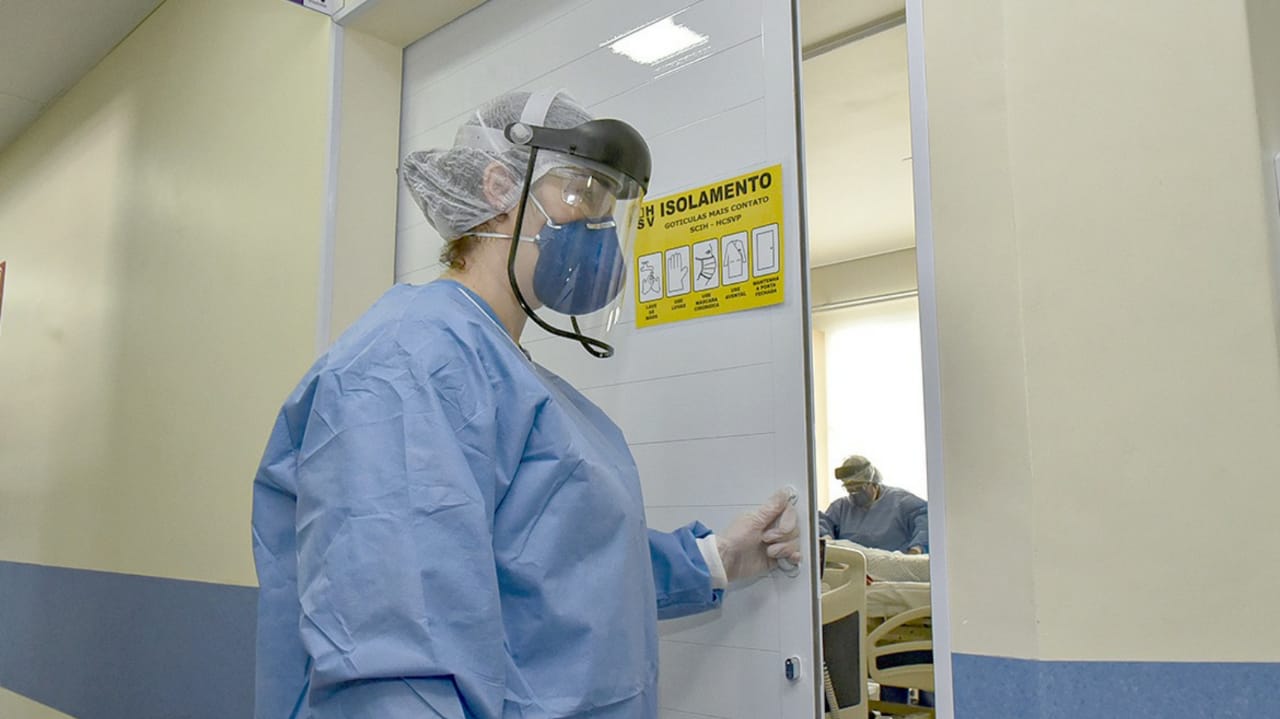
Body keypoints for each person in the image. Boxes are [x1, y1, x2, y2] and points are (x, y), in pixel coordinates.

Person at [250, 89, 803, 719]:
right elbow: (392, 654)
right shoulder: (407, 365)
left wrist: (718, 559)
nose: (599, 225)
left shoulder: (503, 372)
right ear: (498, 187)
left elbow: (563, 566)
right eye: (584, 193)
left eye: (609, 206)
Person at [818, 455, 927, 554]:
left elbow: (926, 523)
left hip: (893, 570)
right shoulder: (841, 508)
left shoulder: (901, 502)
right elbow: (822, 524)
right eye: (850, 489)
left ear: (874, 483)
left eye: (859, 488)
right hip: (854, 571)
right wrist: (826, 541)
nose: (855, 494)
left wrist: (917, 549)